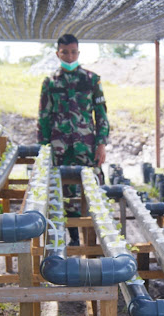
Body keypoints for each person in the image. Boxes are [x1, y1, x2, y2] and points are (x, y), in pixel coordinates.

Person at [37, 34, 109, 246]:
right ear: (57, 53)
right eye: (65, 52)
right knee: (63, 194)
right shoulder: (50, 83)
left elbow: (101, 115)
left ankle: (97, 241)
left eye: (73, 52)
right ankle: (74, 239)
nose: (70, 56)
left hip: (86, 148)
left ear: (78, 52)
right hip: (59, 149)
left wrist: (101, 144)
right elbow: (43, 118)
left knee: (94, 189)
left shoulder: (91, 80)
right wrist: (43, 149)